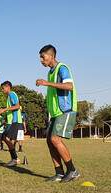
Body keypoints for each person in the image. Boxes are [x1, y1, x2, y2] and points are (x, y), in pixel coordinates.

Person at [36, 44, 79, 182]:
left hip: (65, 110)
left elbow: (69, 86)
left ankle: (72, 171)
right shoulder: (50, 72)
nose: (41, 60)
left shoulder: (62, 68)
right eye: (40, 58)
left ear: (52, 56)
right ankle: (59, 173)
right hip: (55, 113)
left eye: (43, 57)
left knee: (55, 139)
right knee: (49, 141)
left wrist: (46, 83)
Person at [0, 81, 24, 166]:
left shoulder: (12, 94)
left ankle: (15, 159)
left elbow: (17, 106)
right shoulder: (9, 96)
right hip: (11, 122)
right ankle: (14, 158)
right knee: (5, 138)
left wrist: (4, 109)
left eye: (3, 88)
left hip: (14, 121)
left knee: (6, 138)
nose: (2, 90)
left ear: (8, 87)